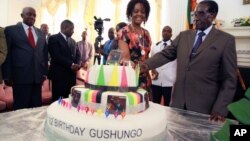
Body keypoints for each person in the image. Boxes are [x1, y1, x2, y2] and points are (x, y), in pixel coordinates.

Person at [140, 0, 237, 122]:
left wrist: (220, 109)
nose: (196, 18)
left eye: (200, 13)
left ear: (212, 15)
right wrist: (145, 65)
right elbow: (165, 54)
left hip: (205, 108)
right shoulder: (183, 36)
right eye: (195, 14)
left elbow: (229, 79)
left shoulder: (225, 40)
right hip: (178, 104)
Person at [3, 7, 48, 110]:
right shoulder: (10, 30)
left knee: (36, 109)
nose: (32, 17)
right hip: (20, 78)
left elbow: (44, 55)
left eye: (34, 15)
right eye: (29, 14)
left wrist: (44, 72)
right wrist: (7, 76)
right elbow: (7, 54)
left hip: (37, 78)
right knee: (20, 109)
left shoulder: (41, 33)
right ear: (22, 15)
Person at [118, 0, 152, 91]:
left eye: (143, 12)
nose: (139, 14)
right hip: (131, 80)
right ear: (130, 13)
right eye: (136, 11)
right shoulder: (124, 32)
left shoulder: (147, 34)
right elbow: (125, 58)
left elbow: (146, 56)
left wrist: (152, 69)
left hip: (145, 80)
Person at [48, 20, 81, 102]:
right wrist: (71, 64)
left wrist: (77, 64)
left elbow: (78, 55)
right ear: (64, 28)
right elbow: (56, 56)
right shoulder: (53, 38)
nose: (73, 31)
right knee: (58, 100)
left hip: (71, 76)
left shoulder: (73, 41)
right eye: (71, 29)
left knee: (69, 100)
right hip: (59, 76)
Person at [150, 26, 176, 106]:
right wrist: (153, 70)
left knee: (168, 105)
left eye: (168, 31)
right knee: (155, 103)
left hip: (169, 80)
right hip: (156, 80)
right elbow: (152, 61)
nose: (166, 32)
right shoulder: (155, 45)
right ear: (161, 33)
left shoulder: (175, 46)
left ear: (171, 34)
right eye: (164, 31)